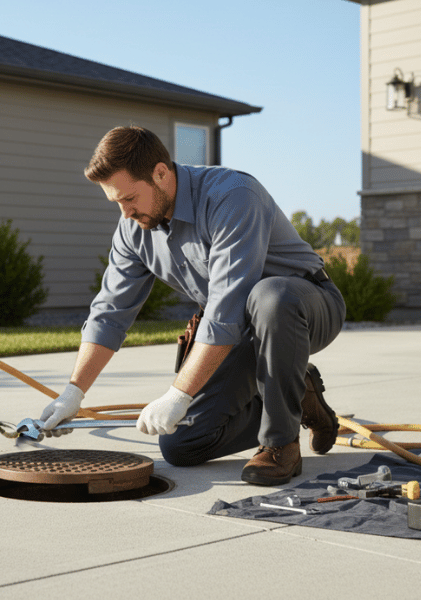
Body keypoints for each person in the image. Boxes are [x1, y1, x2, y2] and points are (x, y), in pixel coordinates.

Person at [39, 126, 346, 486]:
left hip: (304, 307)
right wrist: (73, 393)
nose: (124, 213)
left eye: (129, 198)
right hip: (240, 329)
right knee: (182, 444)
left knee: (270, 296)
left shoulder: (232, 196)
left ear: (161, 173)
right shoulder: (133, 229)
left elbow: (227, 306)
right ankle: (299, 391)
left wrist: (179, 393)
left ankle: (279, 445)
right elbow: (109, 313)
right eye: (116, 203)